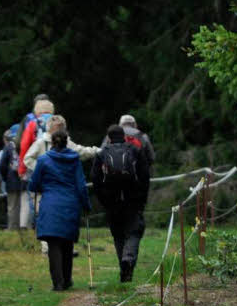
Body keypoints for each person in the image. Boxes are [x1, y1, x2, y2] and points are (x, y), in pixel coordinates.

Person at [23, 115, 100, 253]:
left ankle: (62, 247)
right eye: (59, 127)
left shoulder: (67, 143)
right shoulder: (41, 143)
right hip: (45, 186)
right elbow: (27, 158)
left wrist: (97, 151)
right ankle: (47, 248)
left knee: (62, 216)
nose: (61, 129)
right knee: (44, 214)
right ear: (51, 128)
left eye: (62, 127)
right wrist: (42, 170)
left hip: (61, 186)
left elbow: (81, 152)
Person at [28, 129, 91, 291]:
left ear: (52, 142)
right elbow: (81, 185)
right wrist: (86, 205)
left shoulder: (43, 160)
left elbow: (33, 184)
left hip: (50, 204)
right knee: (67, 243)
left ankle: (58, 283)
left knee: (53, 244)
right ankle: (67, 279)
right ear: (66, 141)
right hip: (70, 203)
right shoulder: (74, 159)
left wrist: (44, 186)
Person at [92, 125, 150, 282]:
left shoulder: (102, 153)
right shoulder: (135, 150)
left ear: (108, 138)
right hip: (133, 198)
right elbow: (145, 176)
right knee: (134, 231)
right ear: (124, 136)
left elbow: (95, 180)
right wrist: (142, 198)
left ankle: (124, 267)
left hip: (111, 200)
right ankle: (128, 259)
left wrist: (103, 200)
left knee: (118, 234)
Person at [0, 129, 24, 230]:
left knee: (12, 207)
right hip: (24, 180)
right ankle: (24, 228)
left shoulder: (9, 147)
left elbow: (2, 165)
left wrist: (5, 177)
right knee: (24, 206)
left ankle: (12, 228)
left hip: (11, 180)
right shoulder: (26, 144)